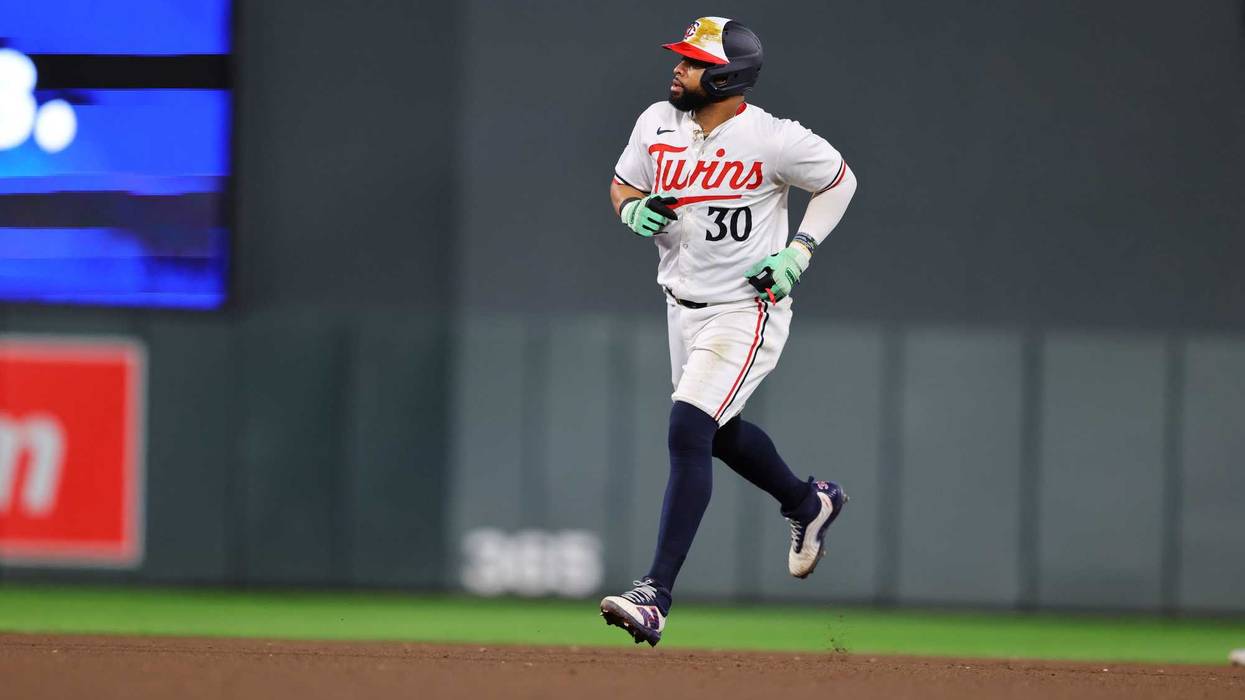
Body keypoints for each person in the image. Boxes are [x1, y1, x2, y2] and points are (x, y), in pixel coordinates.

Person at [599, 16, 859, 646]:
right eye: (682, 58)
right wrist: (632, 209)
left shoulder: (773, 139)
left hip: (746, 307)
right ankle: (807, 502)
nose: (678, 68)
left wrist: (799, 250)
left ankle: (654, 594)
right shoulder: (655, 121)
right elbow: (623, 185)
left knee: (689, 428)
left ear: (726, 75)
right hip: (680, 304)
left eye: (692, 61)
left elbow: (839, 180)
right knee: (717, 433)